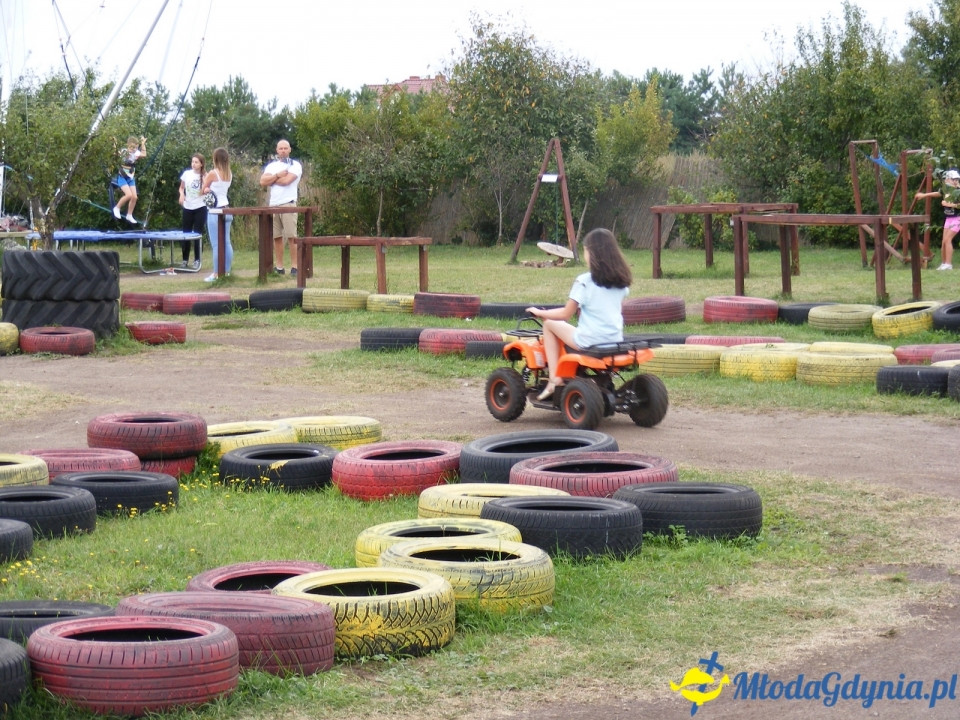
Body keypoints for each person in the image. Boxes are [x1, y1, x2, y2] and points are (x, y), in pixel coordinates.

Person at [526, 228, 632, 400]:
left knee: (549, 325)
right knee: (566, 327)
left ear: (592, 254)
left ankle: (554, 379)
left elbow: (566, 314)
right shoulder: (621, 283)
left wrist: (539, 312)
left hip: (589, 340)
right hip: (614, 341)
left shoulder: (584, 281)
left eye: (585, 251)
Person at [258, 138, 302, 276]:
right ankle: (279, 266)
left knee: (291, 236)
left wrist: (273, 180)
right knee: (276, 236)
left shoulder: (295, 165)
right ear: (277, 150)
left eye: (285, 148)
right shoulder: (271, 166)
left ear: (290, 149)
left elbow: (287, 181)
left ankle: (295, 266)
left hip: (288, 203)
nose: (283, 151)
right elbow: (263, 181)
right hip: (274, 204)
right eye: (280, 148)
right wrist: (277, 175)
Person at [916, 168, 960, 270]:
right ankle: (944, 263)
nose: (946, 180)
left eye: (948, 179)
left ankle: (948, 264)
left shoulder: (958, 191)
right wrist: (924, 195)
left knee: (948, 239)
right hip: (949, 218)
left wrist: (948, 204)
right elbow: (937, 193)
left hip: (957, 219)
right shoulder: (946, 189)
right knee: (944, 241)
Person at [202, 147, 233, 282]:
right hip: (226, 208)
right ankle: (226, 271)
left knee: (216, 244)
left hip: (215, 211)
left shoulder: (213, 173)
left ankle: (216, 273)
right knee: (226, 242)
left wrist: (207, 187)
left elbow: (203, 189)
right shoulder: (229, 173)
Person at [177, 153, 206, 268]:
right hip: (188, 207)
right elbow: (181, 187)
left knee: (197, 234)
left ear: (201, 164)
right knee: (186, 234)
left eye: (196, 162)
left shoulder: (205, 175)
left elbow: (208, 190)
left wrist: (205, 188)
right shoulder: (186, 174)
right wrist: (181, 195)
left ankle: (197, 260)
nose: (193, 164)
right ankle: (185, 259)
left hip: (200, 207)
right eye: (192, 162)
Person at [113, 135, 146, 224]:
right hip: (122, 177)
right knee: (128, 195)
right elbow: (116, 154)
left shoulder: (136, 153)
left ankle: (129, 215)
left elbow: (144, 154)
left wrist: (143, 144)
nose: (133, 149)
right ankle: (117, 208)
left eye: (135, 147)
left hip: (130, 178)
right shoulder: (124, 151)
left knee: (134, 197)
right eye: (131, 147)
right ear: (128, 146)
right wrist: (115, 144)